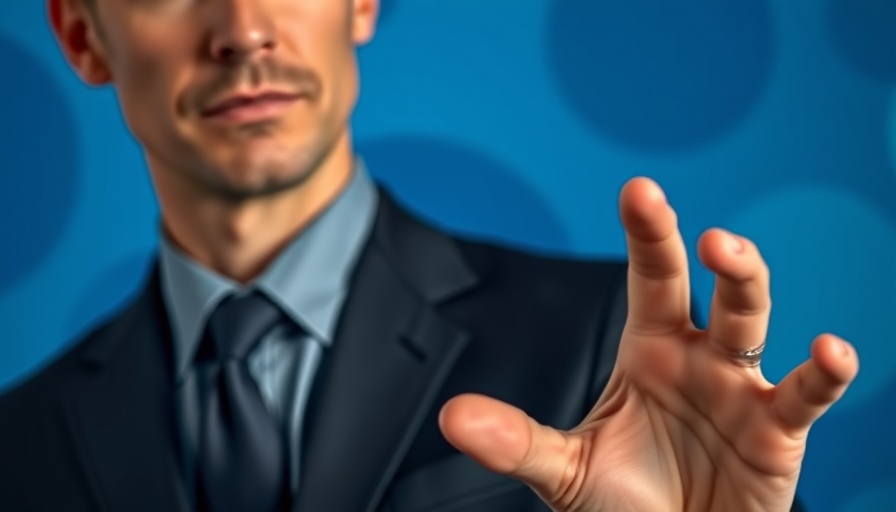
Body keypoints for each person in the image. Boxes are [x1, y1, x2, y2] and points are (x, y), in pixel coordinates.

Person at [0, 0, 857, 511]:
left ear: (361, 2)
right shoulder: (20, 443)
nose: (244, 30)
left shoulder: (594, 341)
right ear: (82, 35)